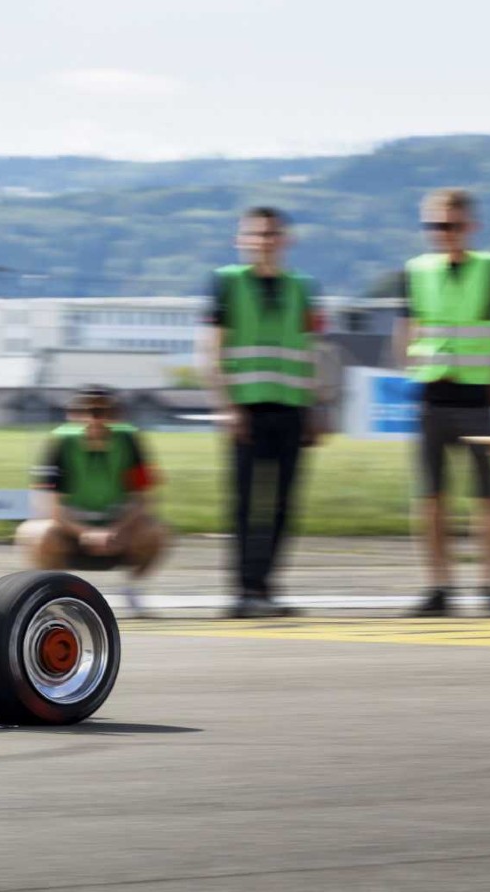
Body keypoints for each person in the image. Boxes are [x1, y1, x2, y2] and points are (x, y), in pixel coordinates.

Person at [392, 188, 490, 617]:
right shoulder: (416, 271)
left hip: (477, 399)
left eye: (451, 225)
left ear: (471, 226)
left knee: (488, 499)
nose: (443, 233)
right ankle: (439, 587)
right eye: (434, 226)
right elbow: (407, 328)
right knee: (431, 497)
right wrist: (409, 369)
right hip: (431, 396)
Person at [205, 207, 321, 618]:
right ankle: (242, 591)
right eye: (256, 234)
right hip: (247, 410)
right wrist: (228, 406)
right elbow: (213, 349)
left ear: (285, 240)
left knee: (283, 505)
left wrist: (315, 409)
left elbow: (312, 351)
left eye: (272, 234)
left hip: (291, 408)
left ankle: (266, 588)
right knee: (244, 504)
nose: (264, 241)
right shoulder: (226, 284)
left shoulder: (303, 288)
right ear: (241, 240)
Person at [15, 387, 167, 614]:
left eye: (105, 412)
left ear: (116, 415)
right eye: (89, 411)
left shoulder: (129, 440)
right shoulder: (61, 442)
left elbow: (144, 498)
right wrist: (84, 532)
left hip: (119, 527)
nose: (95, 420)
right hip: (71, 528)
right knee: (36, 534)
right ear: (74, 415)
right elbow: (48, 503)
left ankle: (132, 588)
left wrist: (117, 529)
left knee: (155, 532)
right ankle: (57, 595)